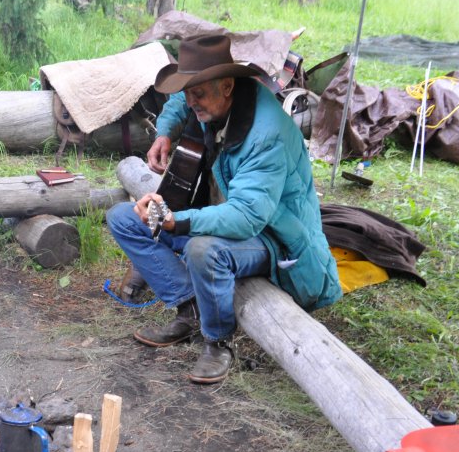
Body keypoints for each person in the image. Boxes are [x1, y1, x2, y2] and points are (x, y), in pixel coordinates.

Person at [107, 34, 341, 384]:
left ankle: (217, 341)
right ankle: (190, 308)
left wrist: (177, 220)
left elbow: (246, 217)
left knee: (203, 249)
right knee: (123, 219)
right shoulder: (214, 97)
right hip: (230, 216)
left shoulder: (266, 134)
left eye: (197, 94)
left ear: (227, 85)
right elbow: (181, 102)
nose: (191, 101)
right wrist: (166, 133)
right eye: (188, 92)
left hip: (274, 237)